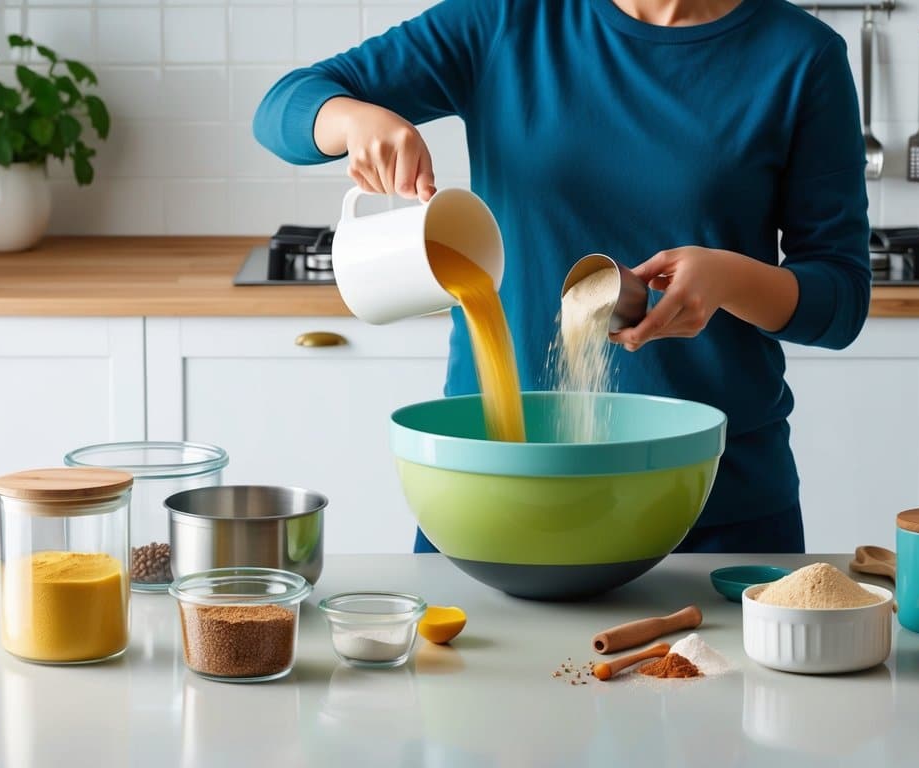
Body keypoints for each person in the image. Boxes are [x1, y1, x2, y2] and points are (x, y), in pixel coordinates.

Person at [254, 0, 870, 554]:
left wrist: (729, 280)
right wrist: (354, 121)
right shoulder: (507, 20)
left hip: (712, 502)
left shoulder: (800, 56)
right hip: (498, 490)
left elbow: (840, 301)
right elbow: (285, 106)